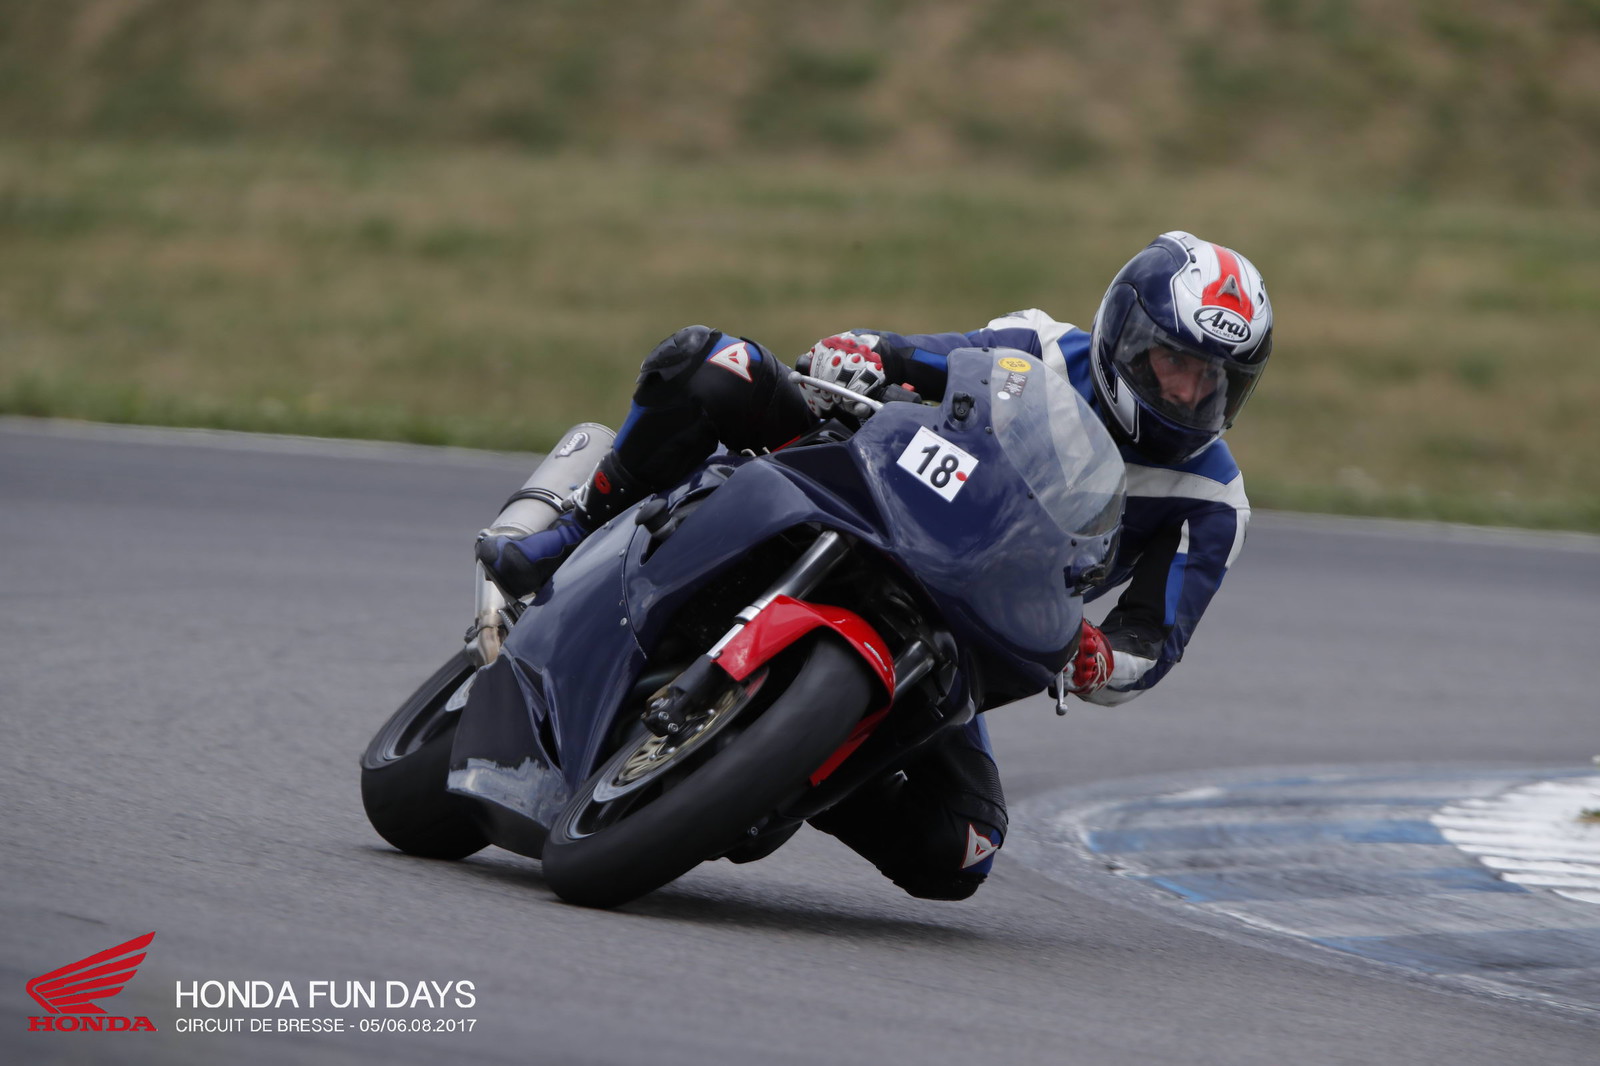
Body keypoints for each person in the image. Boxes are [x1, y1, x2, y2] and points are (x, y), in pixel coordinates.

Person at [477, 230, 1274, 900]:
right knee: (715, 362)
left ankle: (783, 771)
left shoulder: (1214, 501)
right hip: (878, 497)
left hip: (965, 621)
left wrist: (1101, 657)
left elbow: (1153, 640)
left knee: (963, 847)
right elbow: (921, 360)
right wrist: (862, 354)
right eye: (1174, 362)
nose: (1189, 393)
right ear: (1125, 336)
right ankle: (573, 528)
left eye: (1215, 380)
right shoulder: (1037, 345)